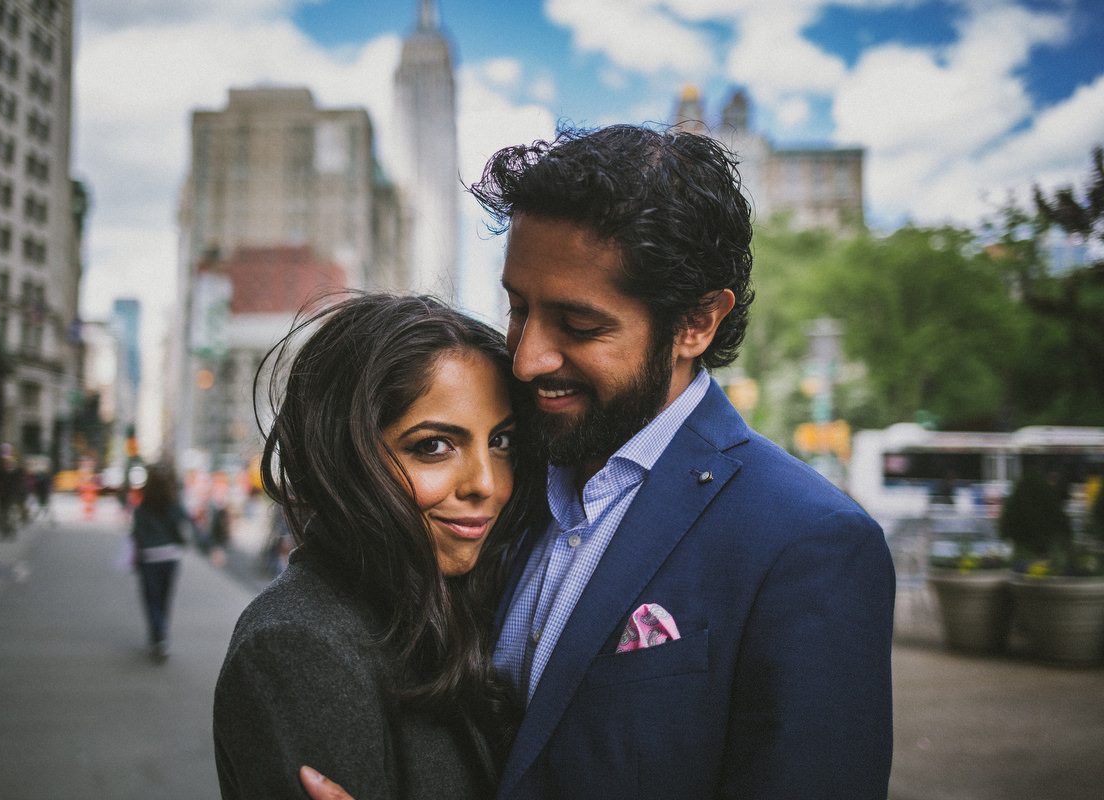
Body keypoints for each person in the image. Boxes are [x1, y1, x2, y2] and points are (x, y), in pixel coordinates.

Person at [300, 125, 895, 800]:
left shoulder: (807, 543)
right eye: (518, 309)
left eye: (579, 327)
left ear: (696, 323)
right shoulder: (504, 477)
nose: (527, 359)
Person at [213, 295, 541, 799]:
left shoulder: (461, 601)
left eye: (501, 443)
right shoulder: (301, 648)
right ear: (344, 456)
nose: (487, 484)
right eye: (434, 446)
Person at [130, 463, 196, 661]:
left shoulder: (142, 508)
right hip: (170, 557)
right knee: (165, 598)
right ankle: (161, 637)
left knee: (152, 600)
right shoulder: (174, 505)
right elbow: (186, 525)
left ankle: (158, 637)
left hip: (149, 557)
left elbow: (137, 534)